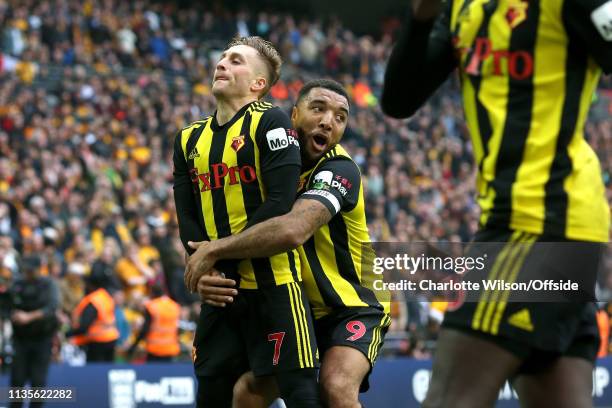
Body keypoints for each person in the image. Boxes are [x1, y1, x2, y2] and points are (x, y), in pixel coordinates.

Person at [381, 1, 611, 407]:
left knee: (449, 398)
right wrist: (420, 19)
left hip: (538, 223)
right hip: (545, 226)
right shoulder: (461, 8)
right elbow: (399, 101)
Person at [191, 79, 391, 408]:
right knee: (246, 394)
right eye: (319, 109)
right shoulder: (267, 164)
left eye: (340, 117)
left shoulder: (339, 170)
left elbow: (294, 229)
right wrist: (205, 271)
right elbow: (224, 219)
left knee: (336, 388)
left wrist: (214, 251)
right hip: (295, 306)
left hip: (352, 305)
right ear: (294, 114)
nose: (329, 121)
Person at [173, 36, 320, 408]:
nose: (222, 63)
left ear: (258, 84)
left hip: (276, 286)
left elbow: (280, 203)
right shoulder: (188, 138)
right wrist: (204, 267)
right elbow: (187, 214)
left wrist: (216, 259)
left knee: (299, 391)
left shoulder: (271, 122)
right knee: (211, 393)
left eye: (235, 60)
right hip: (220, 292)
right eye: (222, 57)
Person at [8, 256, 59, 408]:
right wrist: (12, 314)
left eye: (31, 270)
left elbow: (51, 307)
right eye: (26, 270)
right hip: (21, 339)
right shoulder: (18, 284)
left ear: (38, 269)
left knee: (38, 381)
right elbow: (7, 303)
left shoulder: (48, 284)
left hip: (42, 339)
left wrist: (28, 317)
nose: (28, 273)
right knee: (17, 380)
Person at [65, 270, 119, 362]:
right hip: (111, 338)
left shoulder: (93, 301)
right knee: (107, 371)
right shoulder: (105, 295)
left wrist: (68, 334)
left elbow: (84, 326)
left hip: (97, 342)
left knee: (95, 373)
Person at [126, 284, 180, 362]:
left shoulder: (152, 307)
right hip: (171, 349)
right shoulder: (174, 306)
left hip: (155, 350)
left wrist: (133, 346)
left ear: (152, 293)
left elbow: (145, 330)